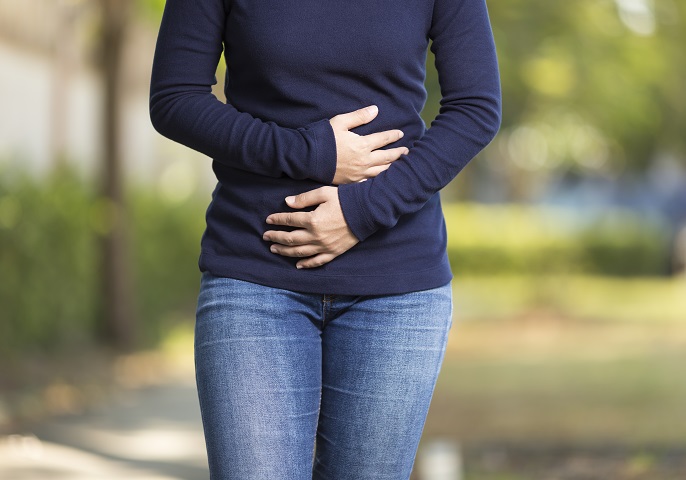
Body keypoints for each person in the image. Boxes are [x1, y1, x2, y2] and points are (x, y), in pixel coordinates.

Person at [149, 0, 501, 478]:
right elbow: (175, 97)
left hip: (396, 286)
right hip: (256, 272)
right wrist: (310, 152)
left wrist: (362, 211)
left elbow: (476, 109)